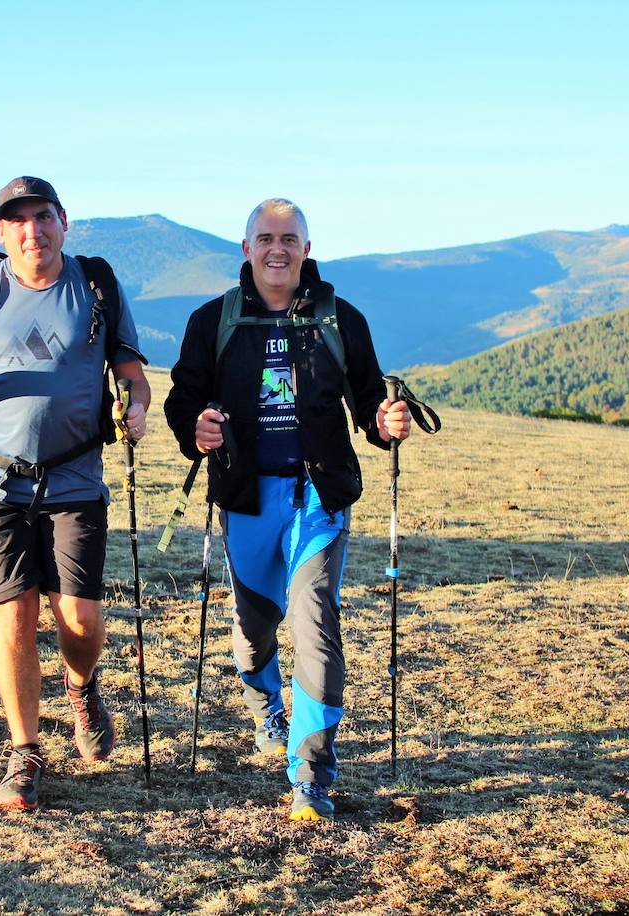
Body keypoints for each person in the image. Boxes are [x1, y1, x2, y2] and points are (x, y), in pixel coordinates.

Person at [163, 198, 413, 822]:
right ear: (246, 249)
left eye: (290, 238)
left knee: (314, 621)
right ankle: (265, 706)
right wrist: (195, 427)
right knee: (253, 628)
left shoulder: (339, 318)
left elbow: (368, 401)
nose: (278, 249)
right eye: (266, 238)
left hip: (317, 498)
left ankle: (311, 771)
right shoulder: (212, 320)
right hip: (245, 496)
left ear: (307, 248)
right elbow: (182, 399)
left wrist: (387, 424)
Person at [0, 176, 150, 812]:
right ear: (2, 232)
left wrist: (135, 405)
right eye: (18, 221)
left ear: (63, 221)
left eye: (42, 217)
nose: (32, 230)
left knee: (80, 619)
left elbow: (132, 374)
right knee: (13, 614)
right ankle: (25, 753)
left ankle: (81, 686)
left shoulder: (96, 283)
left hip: (76, 477)